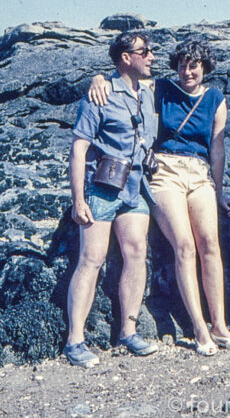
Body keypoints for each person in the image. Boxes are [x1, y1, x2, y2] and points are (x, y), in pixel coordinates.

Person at [89, 39, 230, 356]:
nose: (187, 71)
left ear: (205, 68)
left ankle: (220, 326)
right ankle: (200, 329)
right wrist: (98, 79)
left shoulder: (216, 99)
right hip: (165, 172)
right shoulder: (159, 88)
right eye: (183, 65)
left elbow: (217, 149)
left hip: (199, 174)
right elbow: (123, 79)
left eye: (194, 65)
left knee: (210, 245)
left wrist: (220, 192)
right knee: (184, 246)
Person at [65, 31, 159, 368]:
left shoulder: (147, 93)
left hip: (135, 189)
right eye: (144, 51)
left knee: (136, 254)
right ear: (125, 58)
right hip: (103, 189)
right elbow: (79, 148)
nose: (151, 56)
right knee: (91, 259)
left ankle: (128, 332)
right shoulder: (99, 95)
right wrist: (79, 199)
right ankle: (75, 341)